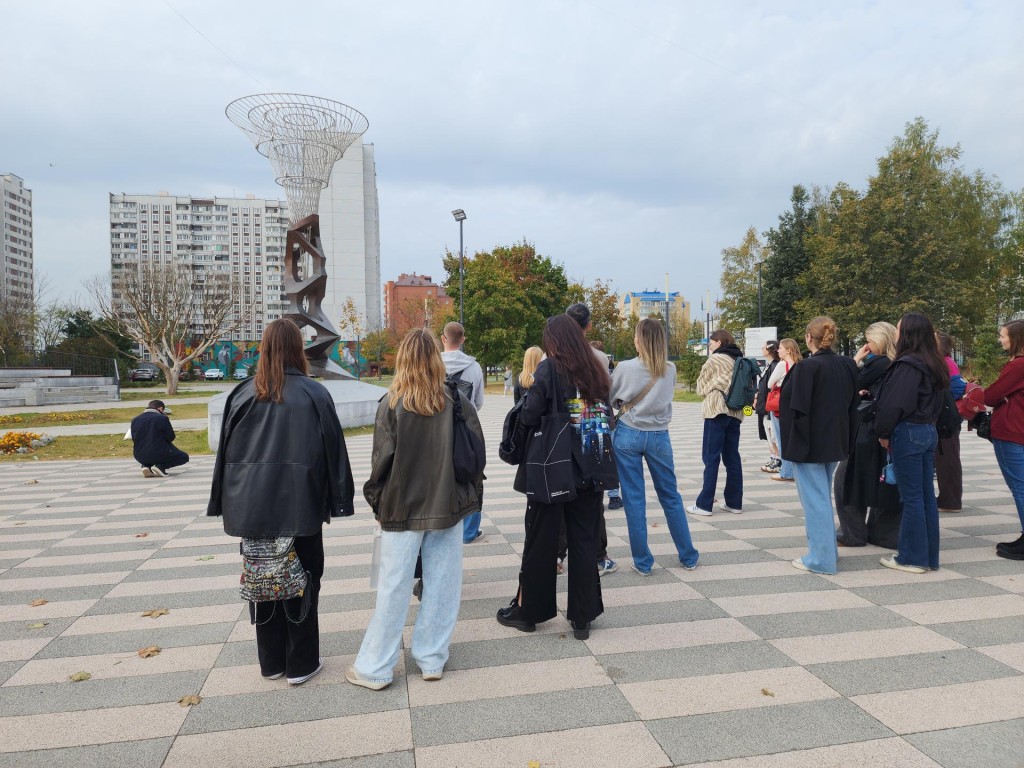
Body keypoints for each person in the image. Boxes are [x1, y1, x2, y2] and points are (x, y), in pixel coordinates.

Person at [207, 318, 354, 685]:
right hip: (301, 506)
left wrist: (222, 503)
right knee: (304, 579)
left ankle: (271, 662)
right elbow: (335, 452)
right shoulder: (314, 393)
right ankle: (301, 663)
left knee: (263, 578)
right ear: (297, 349)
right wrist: (339, 501)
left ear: (264, 348)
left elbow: (223, 457)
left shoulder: (241, 394)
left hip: (251, 508)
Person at [348, 329, 485, 689]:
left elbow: (381, 462)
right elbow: (476, 452)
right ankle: (432, 658)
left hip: (401, 506)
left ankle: (376, 666)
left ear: (403, 359)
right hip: (447, 503)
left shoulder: (392, 403)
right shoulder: (456, 400)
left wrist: (374, 498)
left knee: (393, 586)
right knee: (443, 582)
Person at [497, 314, 615, 640]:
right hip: (590, 467)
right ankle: (582, 616)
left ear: (553, 341)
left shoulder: (549, 368)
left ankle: (529, 611)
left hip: (552, 467)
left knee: (540, 541)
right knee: (584, 541)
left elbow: (531, 412)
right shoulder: (595, 369)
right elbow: (606, 416)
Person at [610, 318, 699, 575]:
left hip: (628, 432)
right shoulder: (669, 369)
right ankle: (688, 555)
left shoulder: (625, 368)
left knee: (634, 498)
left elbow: (610, 398)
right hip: (659, 434)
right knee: (670, 496)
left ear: (640, 340)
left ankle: (643, 562)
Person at [779, 317, 859, 575]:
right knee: (821, 497)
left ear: (807, 338)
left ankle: (821, 559)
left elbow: (797, 410)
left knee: (814, 500)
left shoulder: (806, 368)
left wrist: (792, 449)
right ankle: (829, 553)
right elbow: (852, 405)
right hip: (835, 440)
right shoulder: (847, 365)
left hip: (809, 444)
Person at [873, 312, 949, 574]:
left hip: (908, 431)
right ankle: (928, 556)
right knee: (926, 496)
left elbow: (895, 404)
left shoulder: (907, 365)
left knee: (913, 498)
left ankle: (912, 558)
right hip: (927, 430)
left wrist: (883, 432)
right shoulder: (934, 363)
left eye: (898, 329)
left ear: (908, 334)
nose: (895, 334)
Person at [836, 322, 901, 548]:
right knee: (882, 481)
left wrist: (855, 360)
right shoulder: (895, 362)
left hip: (868, 431)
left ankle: (852, 532)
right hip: (884, 430)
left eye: (869, 340)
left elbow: (846, 383)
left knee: (846, 480)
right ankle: (880, 533)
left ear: (880, 340)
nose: (866, 345)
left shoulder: (880, 363)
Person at [566, 302, 617, 575]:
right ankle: (598, 555)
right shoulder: (599, 356)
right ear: (588, 326)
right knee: (593, 498)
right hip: (594, 431)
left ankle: (558, 554)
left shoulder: (554, 356)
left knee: (563, 494)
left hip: (564, 432)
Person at [689, 329, 745, 516]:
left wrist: (711, 387)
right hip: (735, 412)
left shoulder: (715, 359)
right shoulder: (739, 359)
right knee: (732, 458)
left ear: (719, 342)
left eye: (711, 342)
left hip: (716, 410)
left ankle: (704, 504)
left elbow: (700, 387)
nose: (709, 345)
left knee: (711, 457)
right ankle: (734, 502)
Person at [440, 321, 486, 544]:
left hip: (437, 428)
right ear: (463, 339)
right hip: (467, 427)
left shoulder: (432, 363)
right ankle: (469, 531)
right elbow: (478, 402)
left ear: (443, 339)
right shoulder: (474, 367)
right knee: (472, 475)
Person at [985, 319, 1024, 560]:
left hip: (1011, 429)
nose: (1000, 339)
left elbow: (991, 395)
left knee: (1019, 486)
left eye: (1003, 335)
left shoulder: (1018, 366)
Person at [935, 332, 964, 512]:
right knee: (946, 458)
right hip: (947, 417)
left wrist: (943, 401)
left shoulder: (945, 363)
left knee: (947, 458)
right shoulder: (947, 362)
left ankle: (950, 500)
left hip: (946, 419)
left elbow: (958, 386)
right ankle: (948, 498)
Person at [766, 339, 801, 483]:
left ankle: (786, 472)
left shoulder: (782, 364)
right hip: (793, 403)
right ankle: (793, 470)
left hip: (779, 404)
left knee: (781, 438)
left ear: (788, 350)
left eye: (780, 348)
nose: (778, 350)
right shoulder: (799, 364)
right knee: (790, 438)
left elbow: (769, 384)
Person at [130, 400, 190, 477]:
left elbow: (134, 438)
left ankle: (146, 466)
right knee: (184, 457)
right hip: (159, 453)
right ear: (161, 409)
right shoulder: (162, 418)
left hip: (139, 456)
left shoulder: (135, 419)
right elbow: (170, 437)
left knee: (149, 453)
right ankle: (161, 467)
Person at [755, 340, 781, 473]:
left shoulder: (775, 365)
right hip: (764, 405)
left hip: (770, 405)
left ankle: (778, 459)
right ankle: (773, 457)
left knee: (773, 433)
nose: (761, 348)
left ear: (770, 349)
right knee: (768, 432)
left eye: (764, 346)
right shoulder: (769, 365)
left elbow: (772, 387)